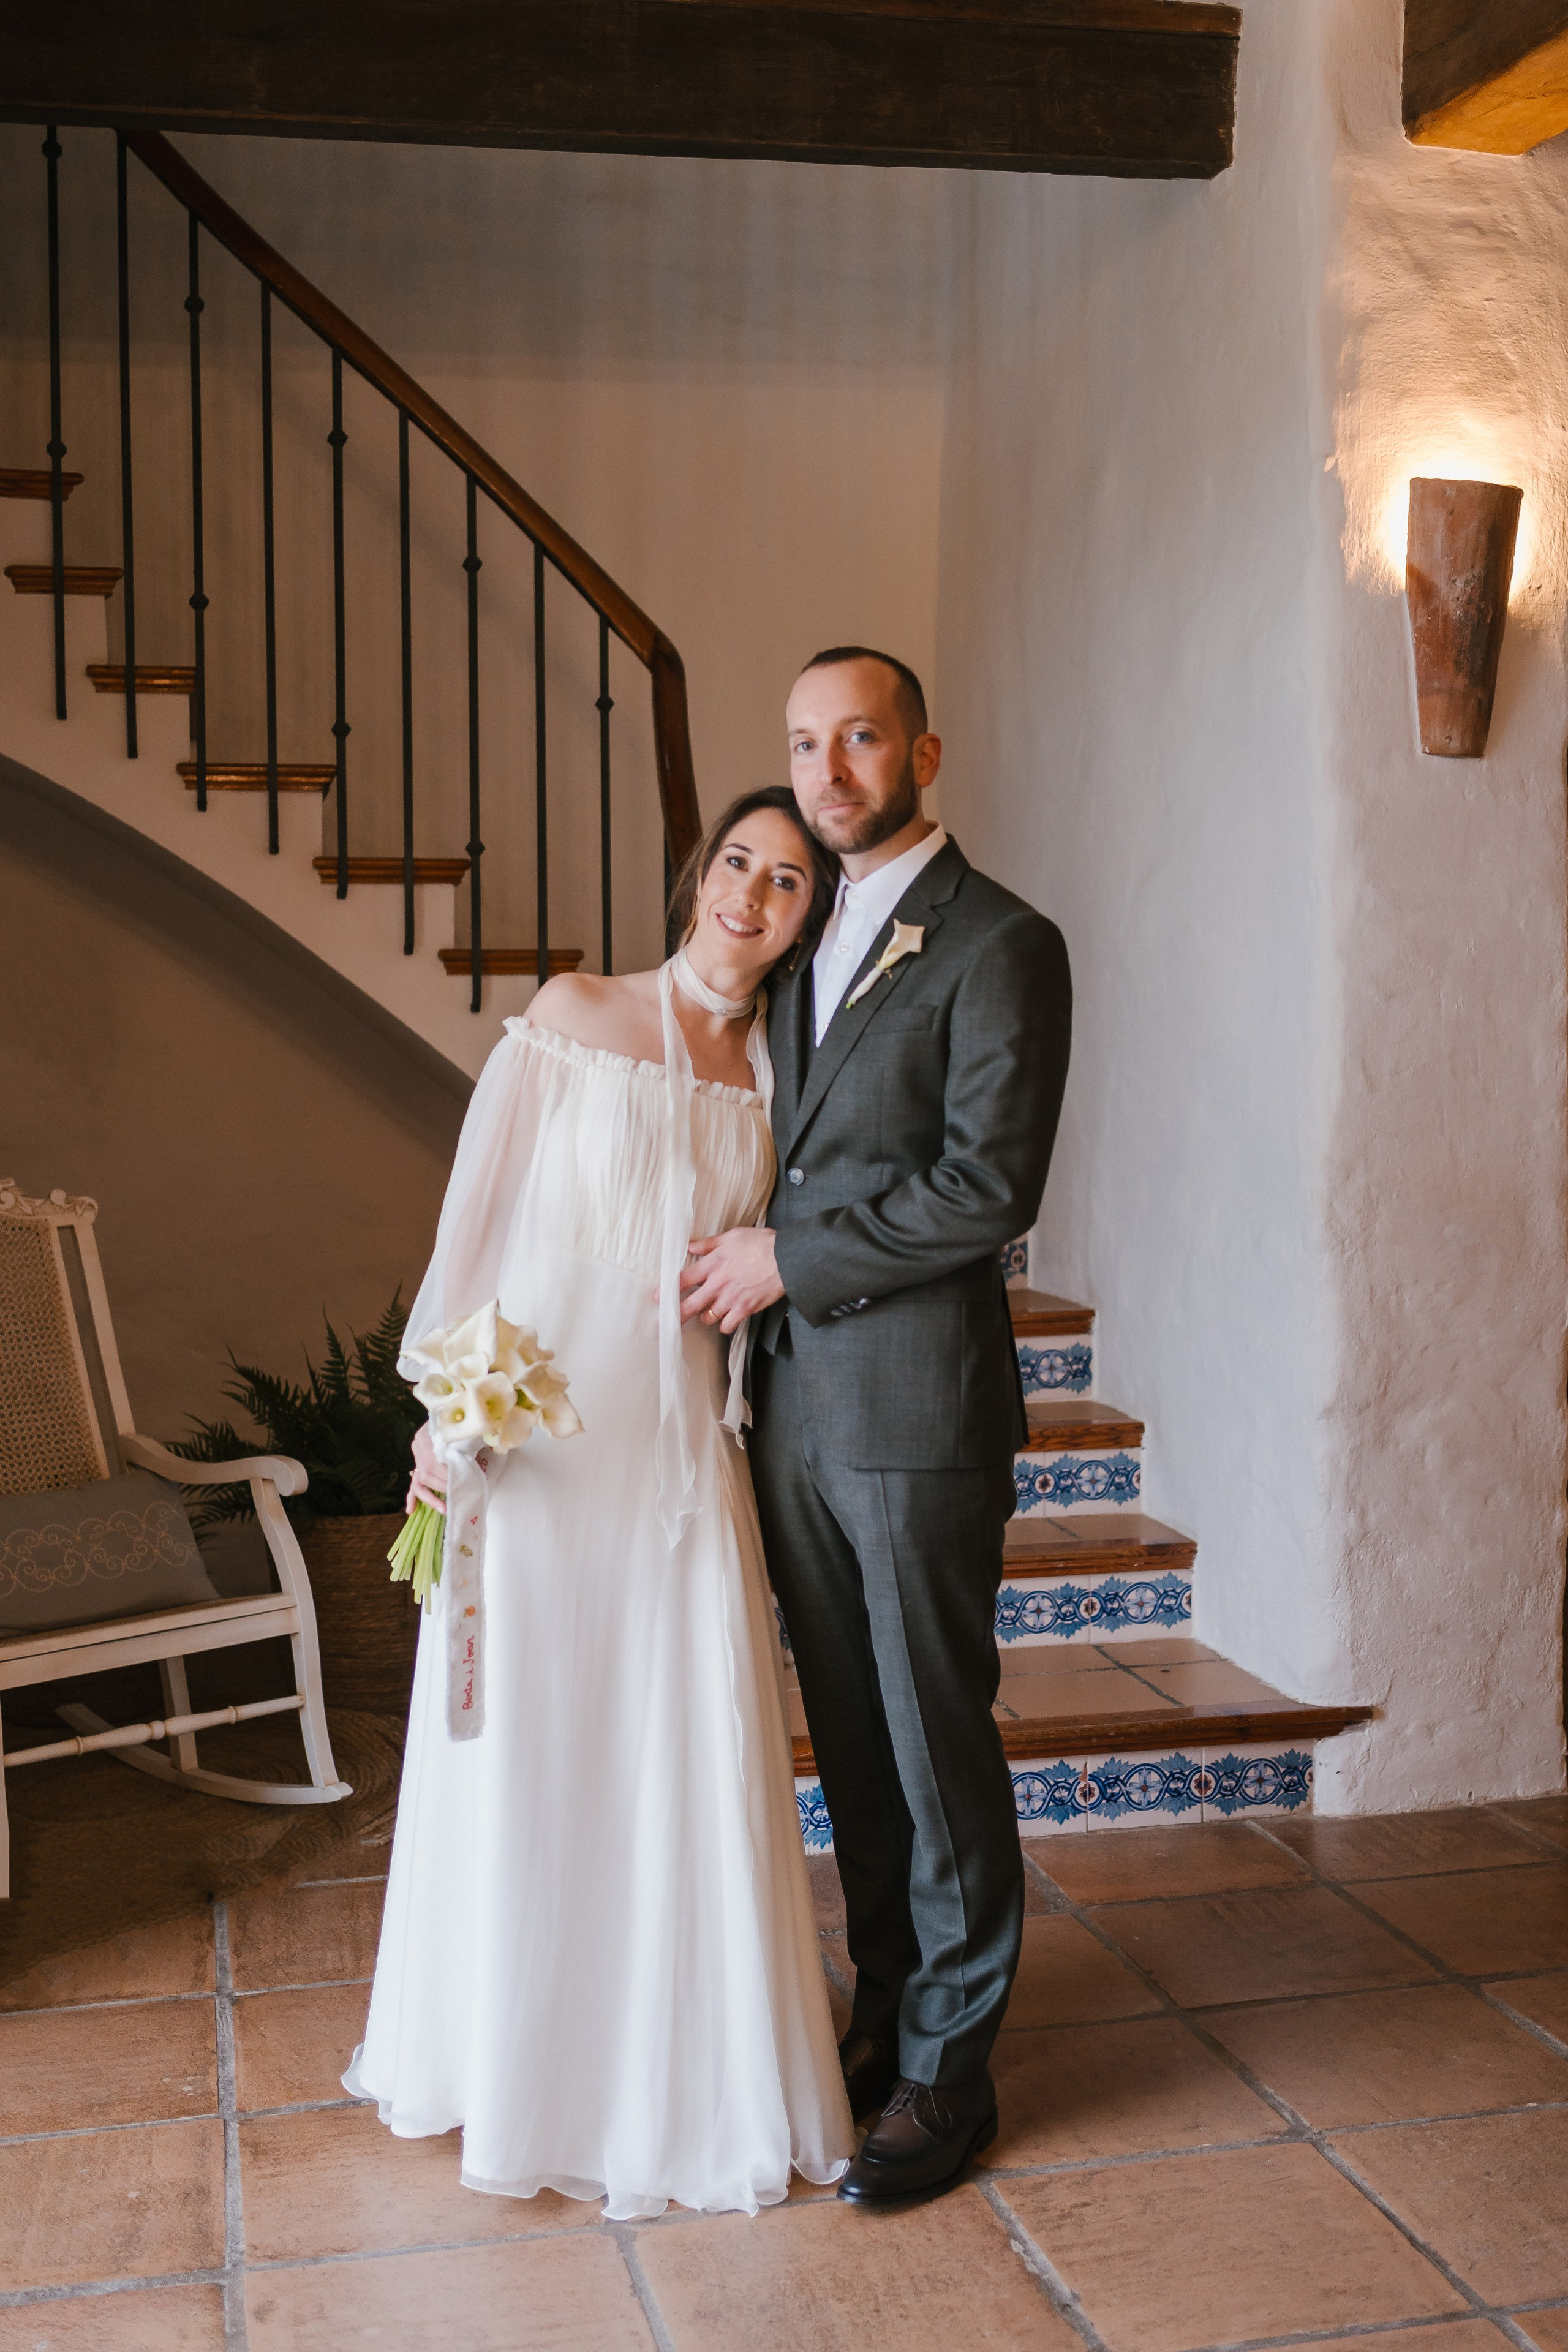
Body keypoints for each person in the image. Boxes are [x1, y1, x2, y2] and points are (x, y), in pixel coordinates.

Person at [345, 786, 856, 2220]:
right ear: (700, 875)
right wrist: (445, 1423)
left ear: (809, 918)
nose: (753, 896)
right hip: (539, 1437)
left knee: (672, 1742)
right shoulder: (569, 1012)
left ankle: (669, 2084)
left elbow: (782, 1254)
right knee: (529, 1740)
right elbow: (475, 1229)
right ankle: (509, 2066)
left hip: (682, 1458)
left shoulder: (778, 1074)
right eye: (738, 866)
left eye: (790, 883)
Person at [679, 649, 1072, 2208]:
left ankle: (949, 2074)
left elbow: (988, 1189)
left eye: (854, 738)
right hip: (787, 1415)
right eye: (800, 743)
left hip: (914, 1411)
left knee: (931, 1737)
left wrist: (788, 1260)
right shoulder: (792, 929)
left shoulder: (1000, 941)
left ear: (918, 748)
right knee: (847, 1746)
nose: (826, 769)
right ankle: (883, 2016)